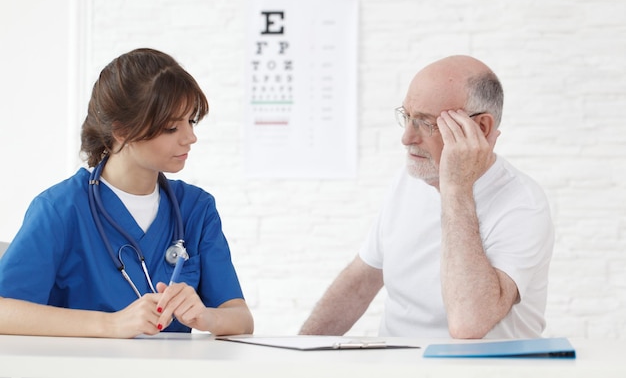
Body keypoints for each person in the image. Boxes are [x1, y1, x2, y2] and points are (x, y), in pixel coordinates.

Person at [0, 48, 254, 338]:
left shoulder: (196, 208)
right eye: (172, 127)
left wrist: (206, 316)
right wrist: (111, 324)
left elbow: (241, 318)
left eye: (190, 121)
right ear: (121, 131)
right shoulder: (60, 209)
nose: (190, 137)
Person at [299, 55, 554, 339]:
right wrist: (299, 354)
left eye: (425, 123)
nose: (407, 137)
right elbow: (360, 282)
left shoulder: (523, 204)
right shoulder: (409, 180)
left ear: (480, 128)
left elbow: (468, 323)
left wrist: (456, 188)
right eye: (406, 117)